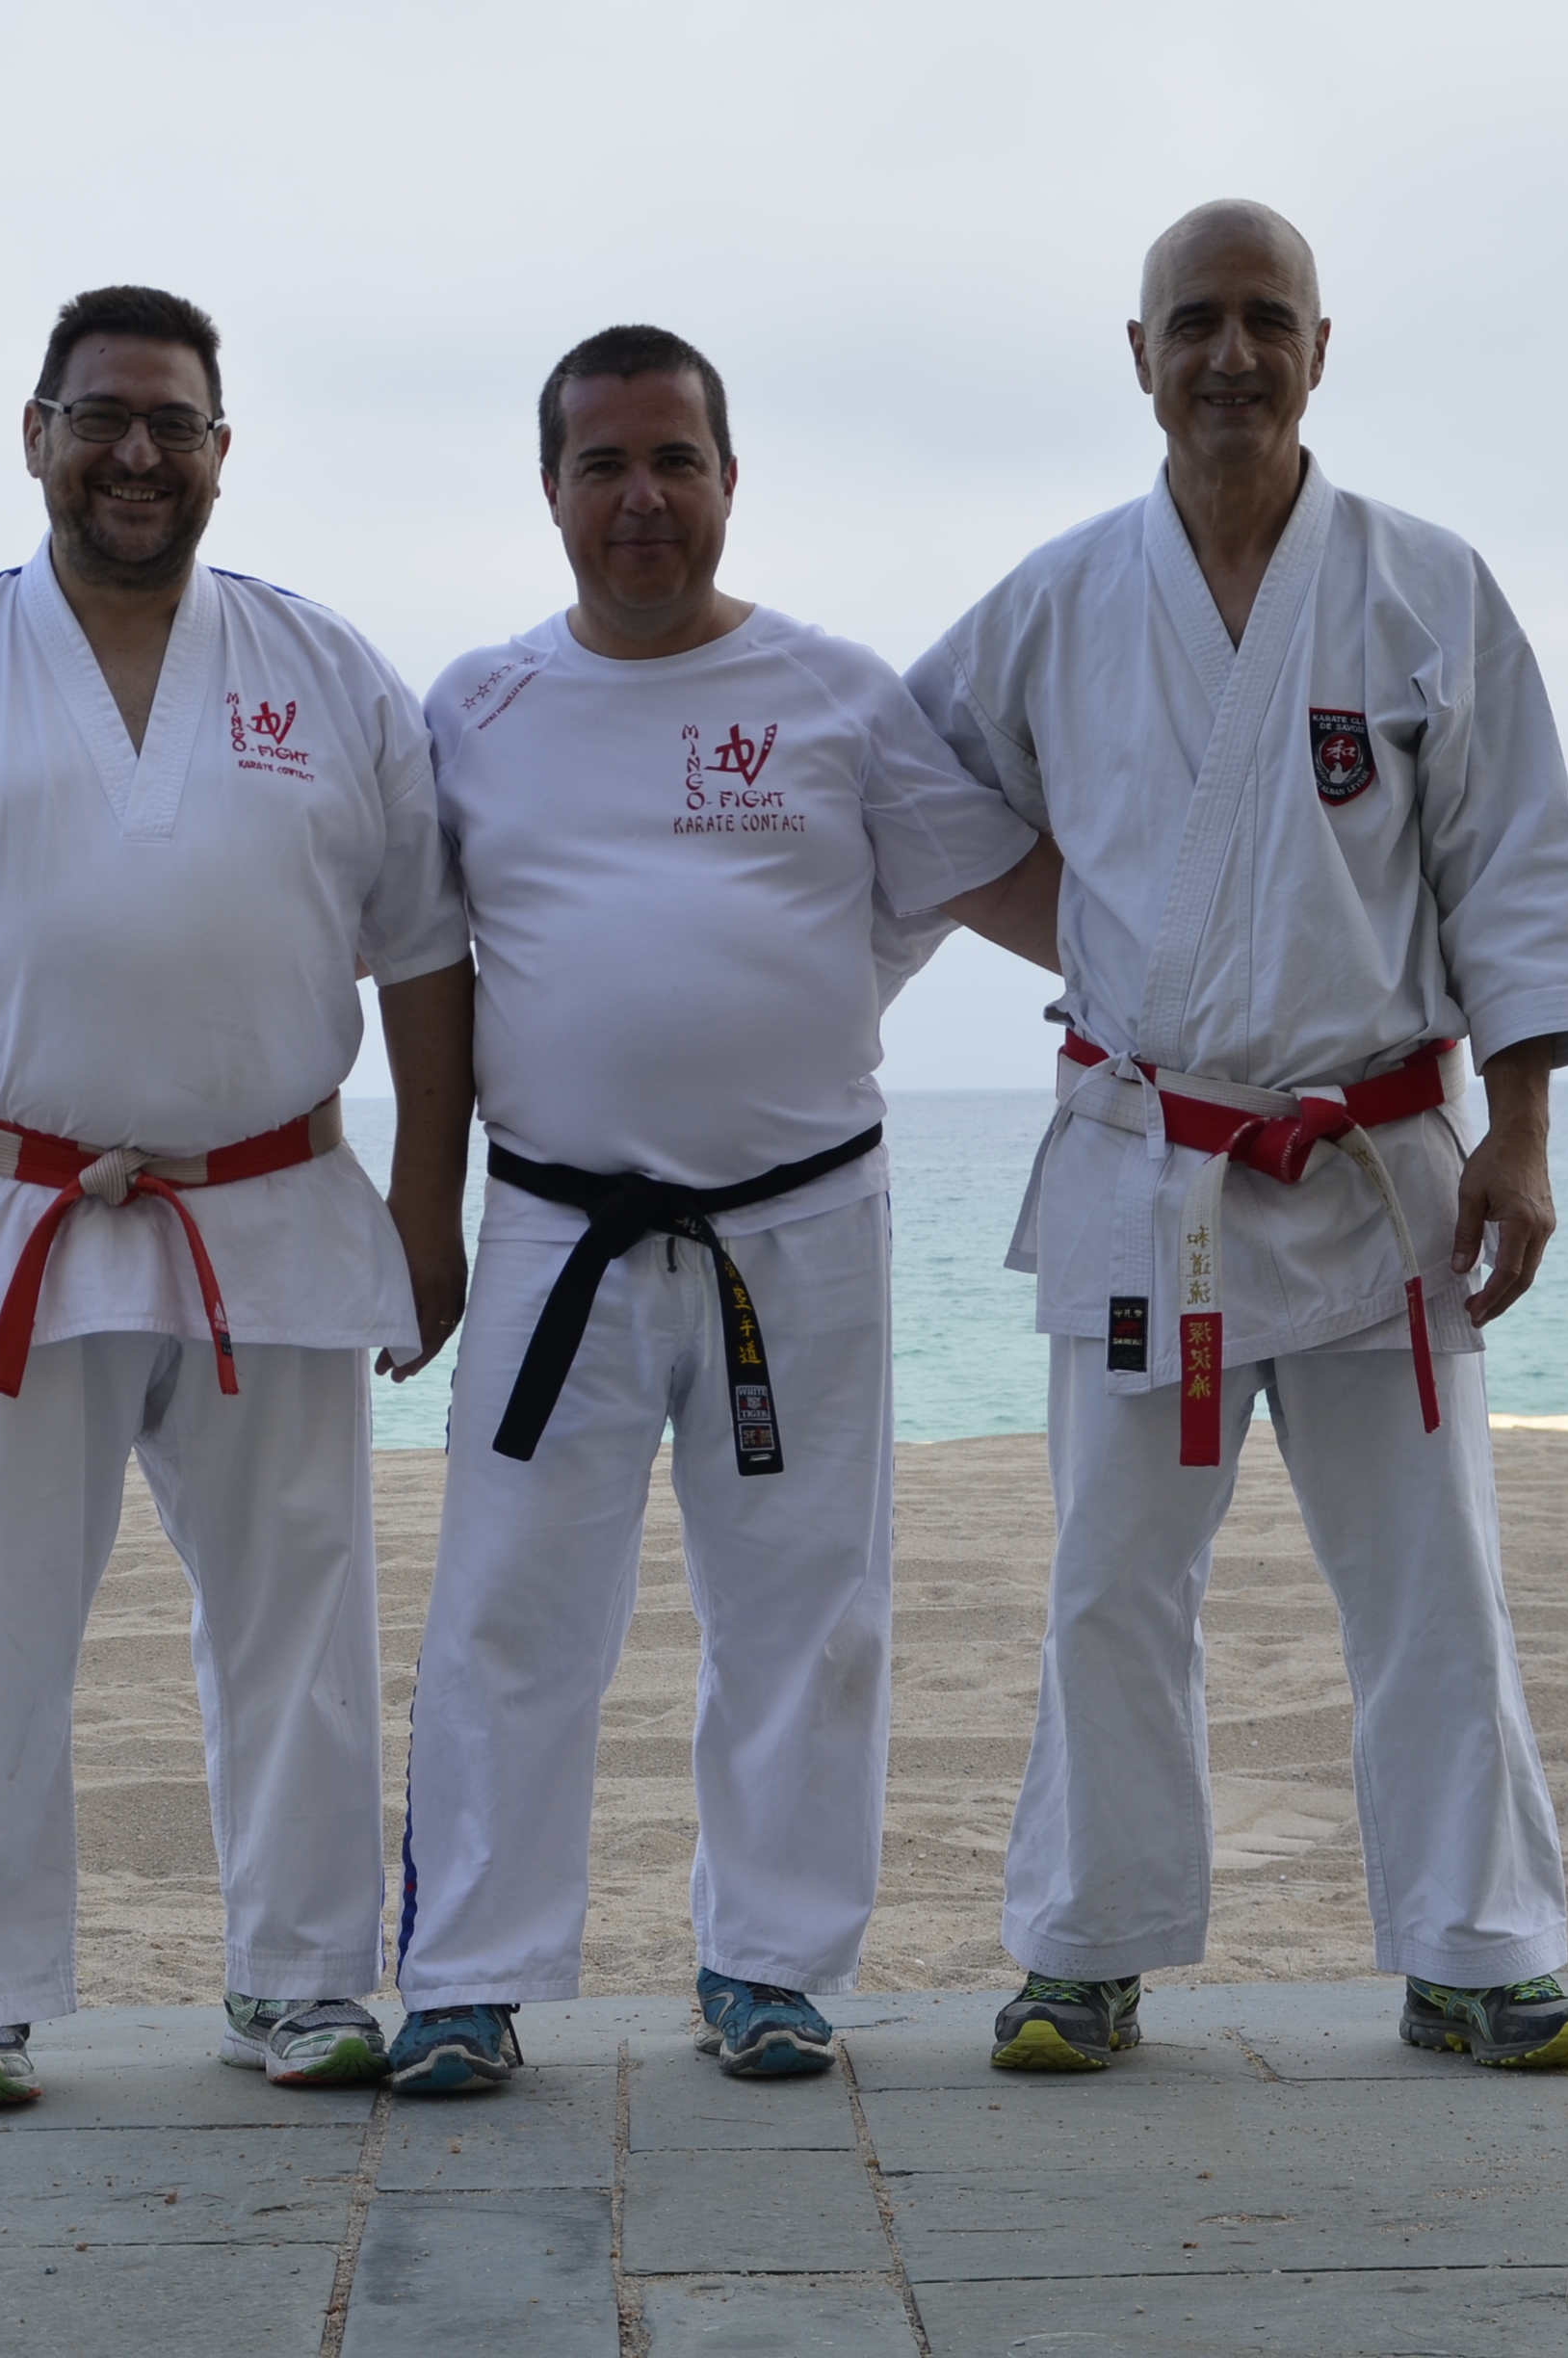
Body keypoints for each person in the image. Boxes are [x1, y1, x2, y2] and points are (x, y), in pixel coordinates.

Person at [0, 284, 476, 2109]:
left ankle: (302, 1981)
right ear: (36, 435)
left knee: (302, 1622)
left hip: (270, 1209)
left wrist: (425, 1213)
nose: (137, 454)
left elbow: (429, 963)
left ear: (222, 452)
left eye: (172, 424)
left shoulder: (326, 669)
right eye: (102, 418)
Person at [907, 202, 1568, 2073]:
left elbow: (1513, 862)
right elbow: (906, 789)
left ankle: (1478, 1949)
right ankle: (1086, 1950)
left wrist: (1522, 1133)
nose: (1232, 355)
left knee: (1435, 1583)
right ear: (1139, 355)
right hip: (1154, 1170)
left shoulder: (1425, 587)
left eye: (1266, 321)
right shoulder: (1060, 599)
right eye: (1197, 322)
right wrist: (1096, 936)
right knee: (1110, 1582)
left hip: (1379, 1173)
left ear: (1320, 347)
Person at [381, 327, 1052, 2094]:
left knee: (808, 1613)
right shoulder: (475, 709)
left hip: (800, 1225)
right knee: (508, 1610)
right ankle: (467, 1978)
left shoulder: (837, 693)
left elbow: (1010, 891)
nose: (642, 498)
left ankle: (768, 1964)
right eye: (603, 464)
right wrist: (419, 1211)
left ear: (731, 481)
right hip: (556, 1233)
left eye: (675, 460)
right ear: (550, 490)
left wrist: (1248, 984)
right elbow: (419, 968)